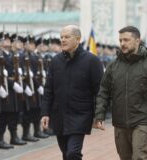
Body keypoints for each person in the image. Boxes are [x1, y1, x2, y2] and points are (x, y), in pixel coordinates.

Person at [41, 25, 104, 160]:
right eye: (61, 37)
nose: (63, 40)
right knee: (66, 154)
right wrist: (45, 113)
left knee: (73, 153)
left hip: (80, 115)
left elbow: (99, 91)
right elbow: (48, 90)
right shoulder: (56, 61)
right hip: (59, 115)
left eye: (67, 37)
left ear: (78, 39)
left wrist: (99, 115)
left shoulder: (92, 61)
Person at [94, 26, 147, 160]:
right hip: (120, 122)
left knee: (138, 156)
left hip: (142, 120)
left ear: (137, 40)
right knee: (125, 157)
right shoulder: (113, 65)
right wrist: (100, 115)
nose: (122, 43)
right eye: (120, 40)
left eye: (126, 40)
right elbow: (104, 91)